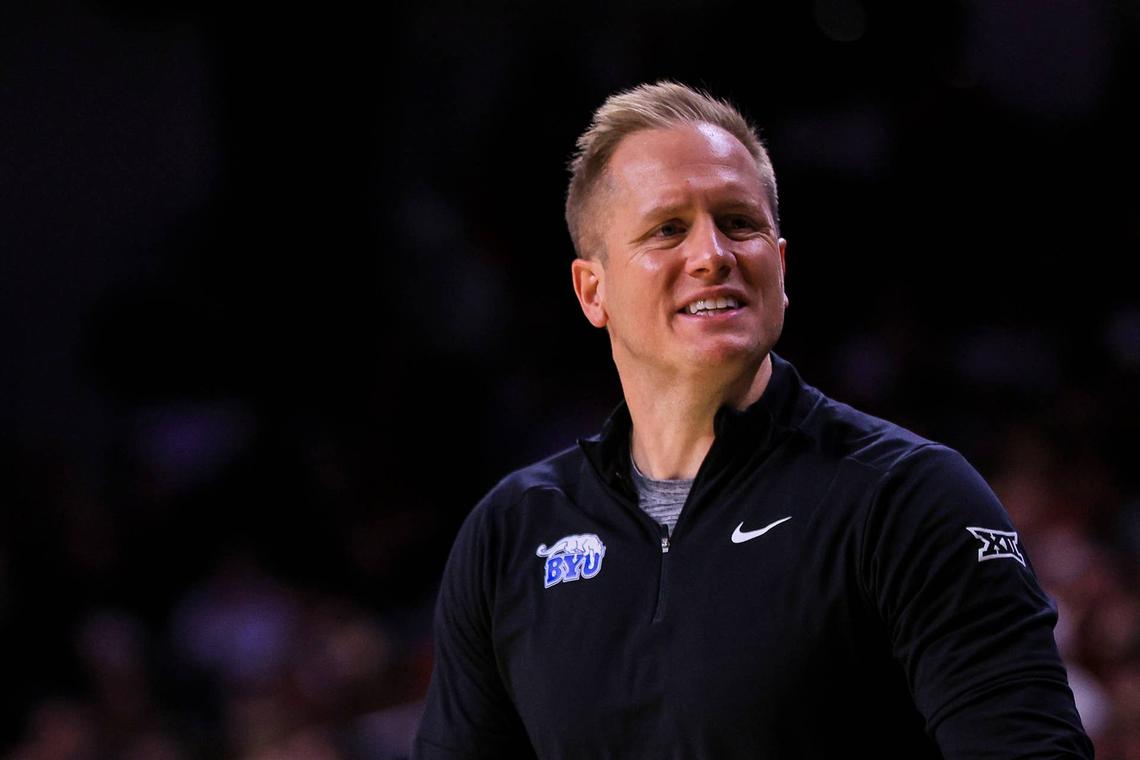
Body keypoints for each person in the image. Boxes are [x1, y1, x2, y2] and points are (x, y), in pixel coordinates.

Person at [412, 81, 1094, 759]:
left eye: (740, 223)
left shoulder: (909, 500)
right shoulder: (511, 536)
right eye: (667, 229)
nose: (713, 255)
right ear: (593, 290)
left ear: (781, 265)